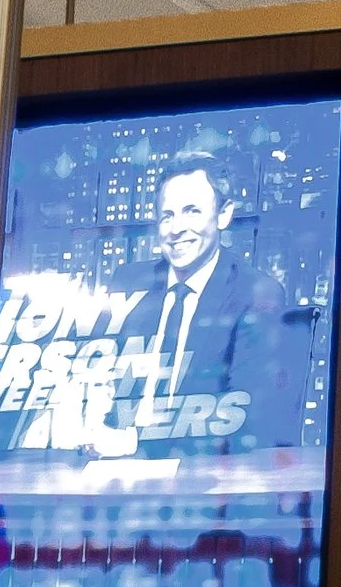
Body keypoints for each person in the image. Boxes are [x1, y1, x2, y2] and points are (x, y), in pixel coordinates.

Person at [116, 163, 310, 449]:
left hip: (205, 475)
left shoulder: (255, 293)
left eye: (192, 211)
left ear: (224, 214)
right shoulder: (129, 282)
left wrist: (136, 441)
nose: (177, 229)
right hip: (109, 467)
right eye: (167, 216)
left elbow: (247, 418)